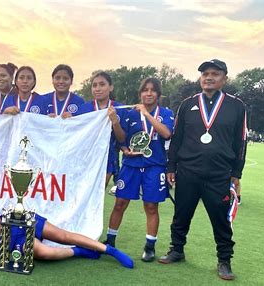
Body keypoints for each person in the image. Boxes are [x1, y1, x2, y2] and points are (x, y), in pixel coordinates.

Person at [159, 59, 247, 281]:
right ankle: (176, 250)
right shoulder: (187, 104)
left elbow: (241, 141)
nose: (209, 77)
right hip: (188, 170)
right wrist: (171, 165)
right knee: (181, 214)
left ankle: (224, 260)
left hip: (219, 173)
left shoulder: (237, 106)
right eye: (205, 74)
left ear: (224, 78)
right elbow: (177, 138)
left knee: (220, 220)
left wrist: (237, 173)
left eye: (214, 74)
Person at [0, 193, 134, 268]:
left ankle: (109, 250)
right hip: (11, 243)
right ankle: (78, 251)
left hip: (17, 223)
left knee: (62, 235)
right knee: (43, 253)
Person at [106, 78, 174, 262]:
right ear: (140, 94)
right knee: (120, 203)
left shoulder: (165, 113)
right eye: (145, 90)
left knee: (151, 206)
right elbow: (122, 138)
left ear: (158, 94)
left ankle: (149, 246)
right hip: (131, 165)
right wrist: (115, 123)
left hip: (154, 165)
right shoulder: (130, 114)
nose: (149, 93)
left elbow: (167, 133)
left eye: (153, 90)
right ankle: (110, 242)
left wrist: (146, 113)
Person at [73, 72, 126, 187]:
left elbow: (122, 139)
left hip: (107, 157)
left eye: (102, 84)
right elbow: (74, 133)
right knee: (82, 194)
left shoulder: (119, 109)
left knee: (98, 194)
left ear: (110, 87)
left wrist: (115, 122)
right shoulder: (84, 109)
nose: (98, 88)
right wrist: (66, 119)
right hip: (85, 158)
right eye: (94, 85)